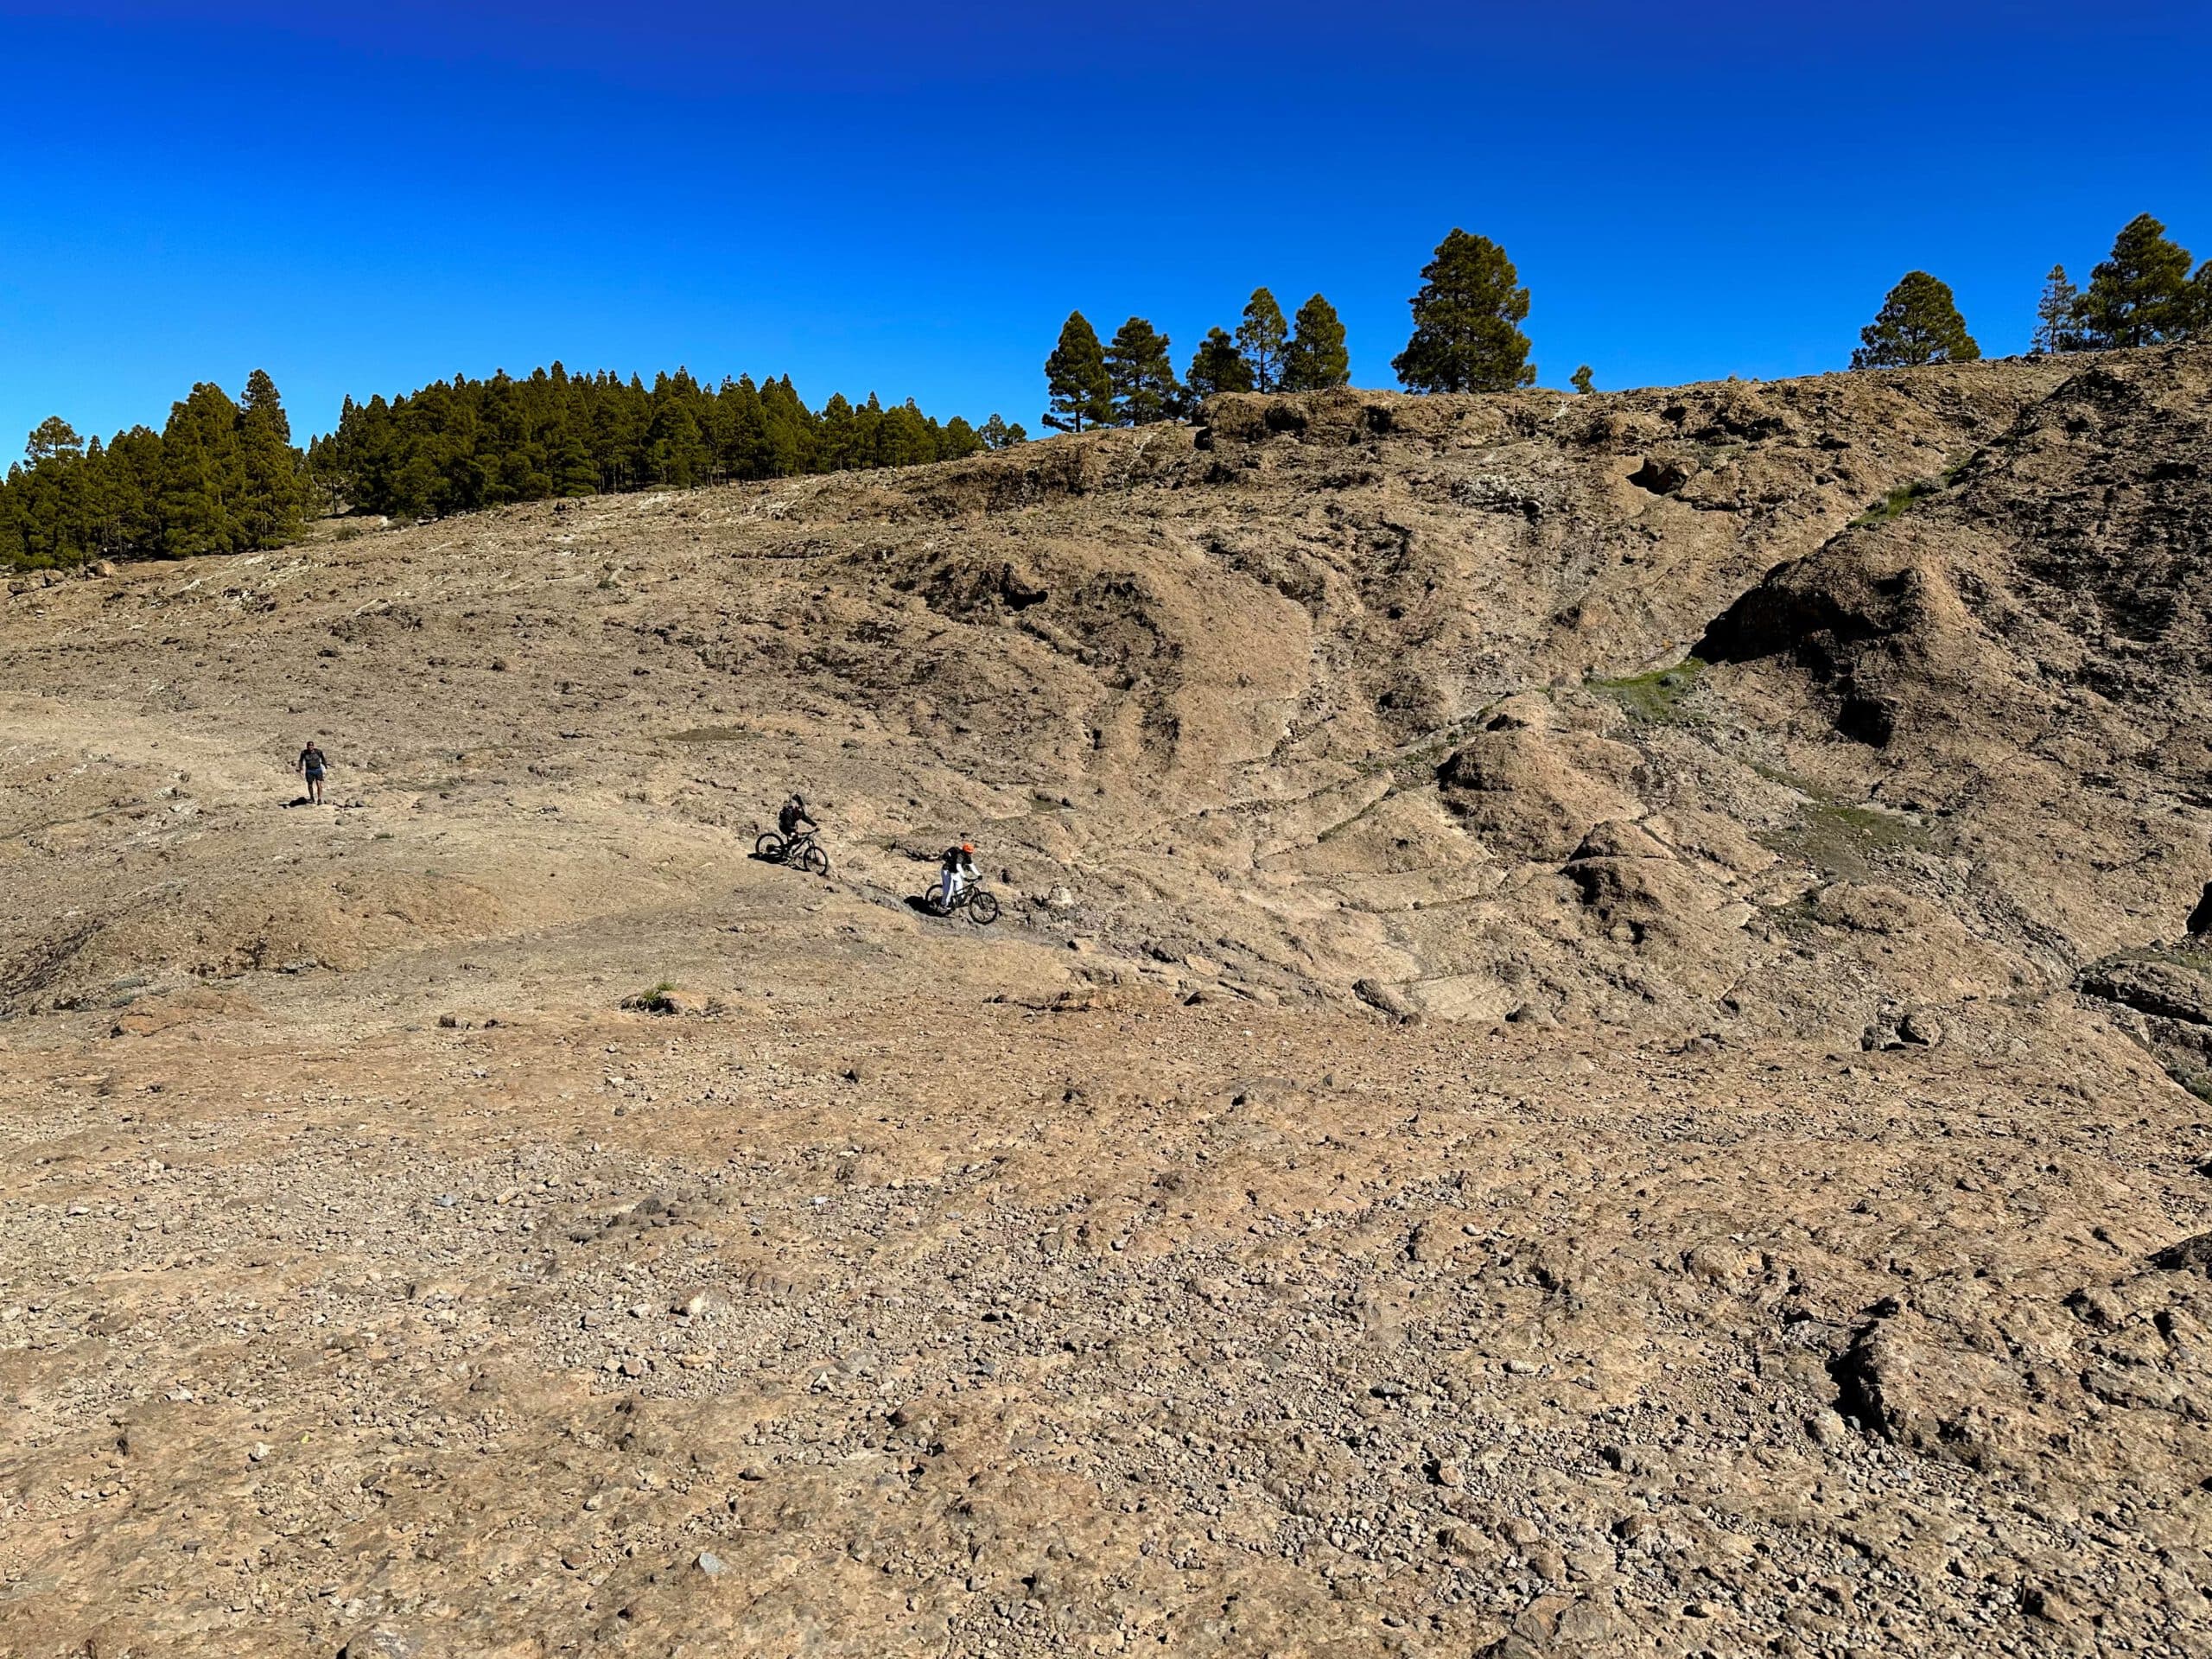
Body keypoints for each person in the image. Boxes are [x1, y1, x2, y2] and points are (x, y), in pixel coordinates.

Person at [938, 840, 976, 911]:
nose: (970, 854)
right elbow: (958, 867)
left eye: (971, 853)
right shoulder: (959, 856)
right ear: (965, 852)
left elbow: (972, 866)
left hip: (955, 873)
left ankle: (956, 902)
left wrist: (978, 875)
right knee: (948, 888)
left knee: (959, 888)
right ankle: (943, 905)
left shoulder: (967, 857)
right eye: (969, 853)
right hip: (947, 871)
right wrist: (965, 877)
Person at [297, 739, 327, 804]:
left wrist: (325, 768)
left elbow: (323, 759)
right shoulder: (304, 753)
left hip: (318, 770)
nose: (310, 747)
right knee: (310, 785)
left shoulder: (318, 752)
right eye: (308, 746)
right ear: (307, 747)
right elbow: (300, 761)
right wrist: (301, 768)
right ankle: (312, 797)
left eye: (311, 746)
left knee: (319, 784)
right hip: (309, 771)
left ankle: (319, 799)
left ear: (313, 746)